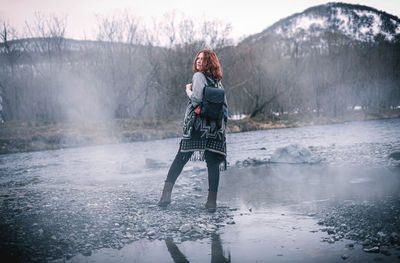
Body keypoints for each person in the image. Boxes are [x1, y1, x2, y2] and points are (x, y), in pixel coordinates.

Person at [158, 49, 228, 212]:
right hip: (216, 128)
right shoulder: (218, 81)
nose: (198, 61)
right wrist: (221, 126)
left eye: (202, 59)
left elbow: (196, 99)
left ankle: (165, 195)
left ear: (208, 62)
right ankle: (212, 203)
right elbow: (225, 106)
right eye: (197, 58)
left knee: (181, 157)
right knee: (213, 163)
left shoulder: (198, 77)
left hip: (197, 125)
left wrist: (187, 90)